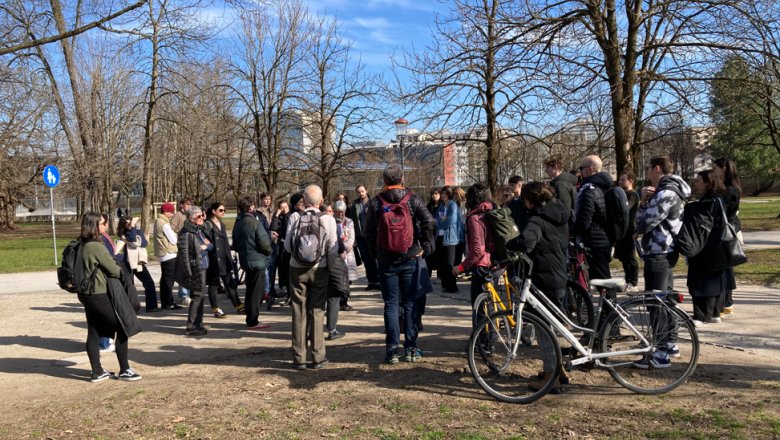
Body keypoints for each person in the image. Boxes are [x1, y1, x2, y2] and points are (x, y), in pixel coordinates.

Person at [365, 166, 435, 364]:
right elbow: (429, 220)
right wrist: (425, 246)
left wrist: (375, 253)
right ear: (402, 179)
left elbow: (369, 231)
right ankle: (411, 349)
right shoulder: (413, 198)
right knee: (411, 304)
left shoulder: (376, 202)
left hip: (386, 262)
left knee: (391, 305)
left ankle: (392, 351)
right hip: (411, 258)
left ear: (384, 180)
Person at [505, 182, 570, 394]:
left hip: (542, 276)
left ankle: (551, 376)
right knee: (550, 325)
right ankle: (558, 369)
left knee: (541, 327)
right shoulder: (559, 213)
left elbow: (527, 240)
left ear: (530, 201)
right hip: (559, 273)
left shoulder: (536, 219)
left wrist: (509, 244)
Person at [633, 155, 690, 369]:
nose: (645, 172)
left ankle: (661, 351)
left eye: (647, 167)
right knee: (665, 298)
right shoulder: (668, 191)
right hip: (662, 251)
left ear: (657, 168)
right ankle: (670, 343)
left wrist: (644, 202)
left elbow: (645, 222)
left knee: (655, 302)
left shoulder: (666, 193)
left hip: (660, 252)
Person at [77, 212, 142, 382]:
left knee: (93, 331)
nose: (106, 225)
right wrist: (117, 259)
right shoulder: (96, 246)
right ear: (94, 226)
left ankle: (97, 372)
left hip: (86, 294)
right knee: (122, 326)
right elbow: (113, 270)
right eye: (103, 223)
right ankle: (125, 370)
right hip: (98, 293)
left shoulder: (81, 244)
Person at [285, 185, 339, 370]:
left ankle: (299, 357)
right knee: (317, 310)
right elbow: (333, 248)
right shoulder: (328, 219)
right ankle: (318, 356)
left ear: (304, 201)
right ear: (321, 202)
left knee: (298, 311)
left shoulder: (294, 217)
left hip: (296, 269)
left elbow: (287, 246)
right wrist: (328, 267)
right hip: (320, 268)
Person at [687, 170, 730, 327]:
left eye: (698, 181)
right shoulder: (715, 198)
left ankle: (702, 315)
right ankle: (714, 312)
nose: (695, 183)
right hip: (715, 246)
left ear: (707, 182)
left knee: (702, 280)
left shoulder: (713, 200)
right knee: (713, 278)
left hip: (706, 246)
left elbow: (706, 221)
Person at [233, 196, 273, 331]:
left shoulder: (238, 223)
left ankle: (250, 318)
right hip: (258, 261)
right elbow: (264, 243)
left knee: (250, 291)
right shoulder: (255, 223)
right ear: (251, 207)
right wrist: (269, 251)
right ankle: (253, 320)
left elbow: (235, 244)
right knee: (258, 292)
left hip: (246, 261)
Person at [570, 155, 613, 281]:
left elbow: (584, 220)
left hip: (594, 241)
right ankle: (608, 300)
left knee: (601, 279)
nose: (580, 171)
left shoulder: (589, 190)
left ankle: (609, 301)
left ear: (590, 169)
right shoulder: (604, 187)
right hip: (603, 237)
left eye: (581, 168)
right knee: (603, 278)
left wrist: (571, 232)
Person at [452, 184, 495, 306]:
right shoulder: (491, 211)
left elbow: (478, 249)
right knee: (491, 305)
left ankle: (485, 325)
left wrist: (460, 267)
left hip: (482, 266)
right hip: (495, 263)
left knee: (481, 310)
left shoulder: (475, 218)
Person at [173, 207, 213, 336]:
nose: (202, 218)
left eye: (202, 215)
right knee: (196, 296)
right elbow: (191, 253)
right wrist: (204, 248)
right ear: (191, 219)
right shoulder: (186, 233)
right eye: (199, 217)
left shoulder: (199, 230)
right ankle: (191, 326)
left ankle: (198, 323)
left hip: (204, 267)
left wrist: (205, 246)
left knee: (201, 296)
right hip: (196, 269)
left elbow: (210, 245)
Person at [205, 202, 244, 317]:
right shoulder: (208, 224)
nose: (223, 212)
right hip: (213, 260)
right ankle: (216, 309)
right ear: (213, 211)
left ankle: (239, 306)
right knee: (213, 285)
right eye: (220, 210)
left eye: (224, 211)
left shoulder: (221, 223)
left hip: (224, 259)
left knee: (230, 283)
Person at [713, 156, 741, 316]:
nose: (713, 171)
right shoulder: (726, 187)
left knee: (723, 266)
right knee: (725, 266)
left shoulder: (729, 189)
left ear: (723, 169)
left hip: (724, 232)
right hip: (726, 230)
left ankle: (725, 302)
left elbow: (726, 213)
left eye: (715, 168)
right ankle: (726, 302)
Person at [117, 216, 161, 313]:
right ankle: (132, 309)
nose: (130, 225)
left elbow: (143, 244)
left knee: (149, 282)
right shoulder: (122, 233)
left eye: (131, 223)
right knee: (130, 285)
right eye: (127, 223)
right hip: (128, 262)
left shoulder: (138, 231)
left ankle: (151, 306)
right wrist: (132, 229)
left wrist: (130, 241)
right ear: (123, 225)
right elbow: (133, 239)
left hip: (138, 262)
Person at [323, 202, 351, 340]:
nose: (333, 213)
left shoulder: (305, 219)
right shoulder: (330, 223)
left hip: (310, 265)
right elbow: (339, 246)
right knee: (333, 297)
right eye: (330, 211)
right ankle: (332, 329)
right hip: (331, 263)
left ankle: (310, 329)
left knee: (314, 299)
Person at [153, 203, 183, 311]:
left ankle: (165, 302)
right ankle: (168, 303)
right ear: (165, 212)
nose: (172, 214)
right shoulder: (164, 224)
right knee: (169, 280)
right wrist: (175, 234)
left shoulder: (157, 221)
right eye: (170, 212)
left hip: (163, 254)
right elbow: (173, 240)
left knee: (165, 279)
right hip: (168, 254)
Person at [351, 185, 381, 291]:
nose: (361, 194)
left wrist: (372, 212)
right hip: (360, 236)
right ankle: (371, 281)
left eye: (362, 191)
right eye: (358, 192)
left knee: (375, 258)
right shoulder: (355, 205)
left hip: (373, 235)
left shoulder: (374, 202)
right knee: (366, 260)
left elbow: (380, 217)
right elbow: (352, 221)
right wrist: (353, 236)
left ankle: (378, 281)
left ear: (366, 191)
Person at [435, 186, 463, 294]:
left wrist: (440, 221)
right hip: (440, 236)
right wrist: (440, 220)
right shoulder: (442, 205)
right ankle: (445, 285)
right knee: (441, 262)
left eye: (446, 193)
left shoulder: (453, 205)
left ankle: (452, 286)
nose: (444, 195)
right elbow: (437, 218)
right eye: (443, 193)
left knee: (449, 263)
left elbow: (450, 221)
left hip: (450, 238)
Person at [615, 171, 640, 290]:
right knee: (623, 258)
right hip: (621, 229)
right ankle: (627, 280)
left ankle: (634, 283)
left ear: (630, 181)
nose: (620, 182)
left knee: (630, 257)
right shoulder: (620, 194)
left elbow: (625, 207)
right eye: (619, 180)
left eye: (623, 180)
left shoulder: (633, 195)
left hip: (629, 228)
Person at [334, 201, 358, 307]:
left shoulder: (349, 222)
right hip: (336, 252)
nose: (340, 214)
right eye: (338, 212)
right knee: (337, 278)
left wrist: (345, 249)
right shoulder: (331, 222)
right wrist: (340, 251)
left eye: (342, 212)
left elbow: (351, 237)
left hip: (347, 252)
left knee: (346, 279)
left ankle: (344, 301)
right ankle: (336, 301)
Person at [171, 198, 193, 306]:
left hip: (188, 244)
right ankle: (184, 296)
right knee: (185, 271)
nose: (188, 206)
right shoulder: (178, 215)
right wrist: (178, 235)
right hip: (182, 245)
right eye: (186, 204)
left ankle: (181, 296)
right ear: (181, 205)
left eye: (190, 204)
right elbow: (172, 229)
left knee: (184, 270)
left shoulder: (190, 215)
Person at [545, 155, 578, 220]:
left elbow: (564, 211)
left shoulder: (561, 185)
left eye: (547, 167)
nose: (546, 170)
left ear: (555, 167)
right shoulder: (561, 182)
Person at [270, 200, 291, 296]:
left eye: (285, 207)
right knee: (281, 267)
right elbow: (273, 228)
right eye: (282, 208)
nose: (284, 209)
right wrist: (276, 215)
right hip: (282, 244)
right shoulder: (279, 216)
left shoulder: (291, 215)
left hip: (289, 245)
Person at [425, 189, 441, 281]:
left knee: (438, 254)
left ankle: (439, 275)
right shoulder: (428, 206)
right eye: (433, 194)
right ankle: (428, 274)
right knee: (429, 253)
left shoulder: (442, 206)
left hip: (439, 231)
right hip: (431, 232)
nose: (434, 196)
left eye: (436, 194)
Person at [453, 187, 468, 268]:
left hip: (464, 226)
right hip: (458, 227)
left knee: (466, 246)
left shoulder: (465, 202)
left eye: (454, 194)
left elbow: (464, 216)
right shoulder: (456, 203)